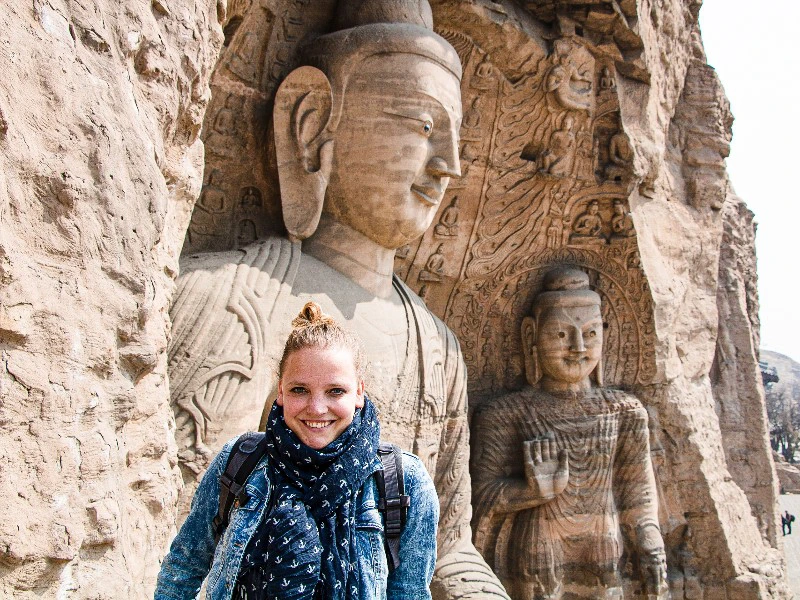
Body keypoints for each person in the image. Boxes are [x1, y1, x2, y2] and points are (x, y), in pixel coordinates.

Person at [168, 1, 511, 597]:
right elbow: (172, 512)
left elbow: (446, 548)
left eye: (457, 140)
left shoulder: (438, 348)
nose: (449, 167)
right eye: (424, 127)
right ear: (312, 122)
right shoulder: (220, 297)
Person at [156, 302, 439, 599]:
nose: (317, 408)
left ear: (359, 392)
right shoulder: (240, 462)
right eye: (299, 390)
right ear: (280, 391)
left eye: (335, 391)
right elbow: (184, 566)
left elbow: (410, 592)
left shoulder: (403, 480)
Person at [471, 268, 667, 600]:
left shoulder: (625, 411)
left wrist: (650, 540)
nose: (578, 347)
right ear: (531, 334)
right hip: (536, 557)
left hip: (605, 550)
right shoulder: (505, 412)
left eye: (590, 333)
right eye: (561, 334)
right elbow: (477, 497)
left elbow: (638, 496)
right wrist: (531, 492)